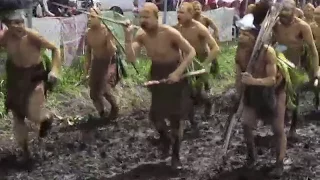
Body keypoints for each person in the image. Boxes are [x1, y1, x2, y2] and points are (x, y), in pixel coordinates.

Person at [123, 2, 196, 169]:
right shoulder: (141, 35)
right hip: (157, 74)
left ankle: (176, 156)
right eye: (141, 16)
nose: (143, 20)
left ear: (157, 17)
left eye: (147, 17)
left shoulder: (169, 33)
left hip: (175, 74)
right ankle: (166, 140)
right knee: (155, 117)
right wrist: (127, 37)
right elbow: (131, 58)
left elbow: (191, 51)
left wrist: (178, 73)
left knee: (176, 120)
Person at [0, 10, 61, 161]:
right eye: (15, 23)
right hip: (15, 79)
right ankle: (26, 152)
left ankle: (47, 117)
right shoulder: (5, 38)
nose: (20, 26)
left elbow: (55, 49)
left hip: (35, 77)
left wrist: (54, 70)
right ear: (7, 25)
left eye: (21, 22)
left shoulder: (32, 36)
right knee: (18, 116)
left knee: (34, 114)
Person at [235, 21, 287, 178]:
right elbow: (239, 76)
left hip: (275, 91)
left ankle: (280, 163)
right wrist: (239, 97)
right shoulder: (240, 52)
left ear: (254, 37)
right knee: (246, 124)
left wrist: (253, 81)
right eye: (241, 33)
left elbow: (271, 80)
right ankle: (251, 156)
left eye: (245, 34)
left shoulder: (268, 52)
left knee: (277, 128)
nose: (241, 36)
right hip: (252, 91)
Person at [273, 0, 319, 138]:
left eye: (286, 16)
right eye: (281, 16)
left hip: (295, 66)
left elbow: (313, 50)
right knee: (278, 93)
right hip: (279, 63)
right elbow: (270, 42)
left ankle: (293, 127)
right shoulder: (275, 24)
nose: (283, 19)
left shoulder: (302, 27)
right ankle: (280, 122)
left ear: (294, 13)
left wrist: (316, 70)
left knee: (295, 96)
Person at [174, 2, 220, 127]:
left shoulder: (200, 28)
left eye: (182, 12)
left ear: (190, 14)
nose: (179, 14)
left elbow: (216, 48)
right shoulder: (179, 27)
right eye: (178, 12)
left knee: (197, 92)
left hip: (202, 59)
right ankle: (191, 120)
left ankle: (209, 103)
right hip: (188, 61)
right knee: (187, 91)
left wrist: (205, 64)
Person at [84, 8, 119, 121]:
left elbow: (113, 50)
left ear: (100, 17)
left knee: (104, 89)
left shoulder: (107, 30)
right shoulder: (88, 33)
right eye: (88, 16)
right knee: (93, 93)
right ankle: (102, 114)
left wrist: (109, 38)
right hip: (96, 62)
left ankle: (115, 109)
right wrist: (86, 70)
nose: (89, 19)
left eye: (92, 17)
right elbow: (88, 53)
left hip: (109, 61)